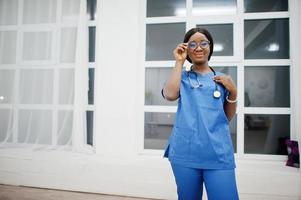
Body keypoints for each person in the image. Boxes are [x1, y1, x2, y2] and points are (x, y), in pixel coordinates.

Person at [161, 27, 239, 200]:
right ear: (186, 49)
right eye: (192, 44)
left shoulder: (223, 80)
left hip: (218, 153)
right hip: (185, 153)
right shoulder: (181, 76)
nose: (198, 47)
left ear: (210, 47)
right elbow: (170, 95)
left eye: (203, 43)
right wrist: (179, 62)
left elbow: (226, 118)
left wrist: (233, 92)